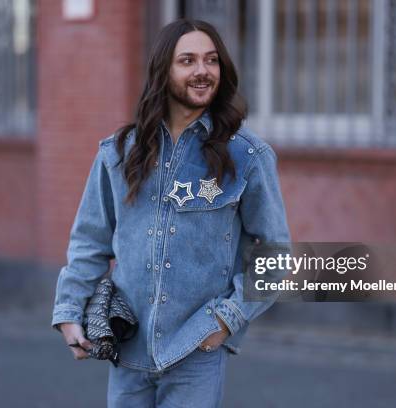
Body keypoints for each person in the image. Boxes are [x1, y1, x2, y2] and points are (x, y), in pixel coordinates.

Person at [51, 19, 291, 407]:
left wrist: (227, 318)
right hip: (127, 350)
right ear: (163, 71)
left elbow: (277, 254)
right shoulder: (118, 152)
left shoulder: (247, 156)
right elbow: (89, 242)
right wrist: (69, 311)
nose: (202, 70)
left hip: (196, 350)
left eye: (211, 60)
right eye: (188, 60)